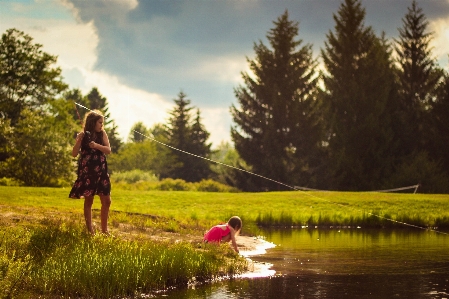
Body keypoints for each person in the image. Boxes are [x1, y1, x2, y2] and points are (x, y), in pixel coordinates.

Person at [69, 110, 112, 235]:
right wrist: (78, 140)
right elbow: (74, 154)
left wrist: (96, 146)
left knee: (107, 201)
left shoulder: (102, 134)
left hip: (101, 172)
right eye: (99, 122)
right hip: (88, 173)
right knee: (89, 201)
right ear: (93, 122)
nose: (101, 125)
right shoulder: (83, 135)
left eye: (102, 123)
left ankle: (105, 231)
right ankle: (90, 231)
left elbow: (108, 150)